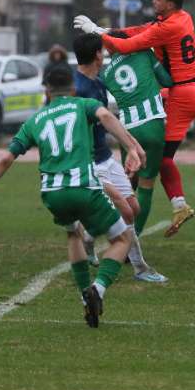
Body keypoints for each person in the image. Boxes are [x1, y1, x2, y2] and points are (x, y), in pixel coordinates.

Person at [0, 63, 146, 328]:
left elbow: (6, 158)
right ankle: (98, 289)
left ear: (46, 90)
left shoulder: (34, 120)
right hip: (84, 187)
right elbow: (106, 116)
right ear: (72, 87)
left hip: (52, 194)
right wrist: (132, 147)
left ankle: (84, 299)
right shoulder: (83, 105)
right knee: (122, 238)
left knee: (72, 233)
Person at [74, 0, 195, 237]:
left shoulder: (106, 72)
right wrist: (106, 32)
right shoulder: (181, 19)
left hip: (138, 121)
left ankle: (170, 206)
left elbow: (127, 43)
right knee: (154, 165)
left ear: (169, 3)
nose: (154, 1)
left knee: (151, 166)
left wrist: (96, 32)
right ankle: (177, 204)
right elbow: (138, 37)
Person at [72, 32, 166, 284]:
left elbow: (110, 122)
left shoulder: (98, 82)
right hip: (87, 162)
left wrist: (132, 147)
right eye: (102, 51)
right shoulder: (78, 89)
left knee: (133, 207)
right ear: (97, 56)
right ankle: (140, 267)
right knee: (125, 210)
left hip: (104, 157)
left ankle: (90, 238)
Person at [97, 39, 173, 244]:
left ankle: (108, 232)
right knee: (146, 186)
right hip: (152, 124)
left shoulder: (105, 73)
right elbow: (167, 81)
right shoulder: (143, 53)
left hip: (127, 130)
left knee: (127, 185)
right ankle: (132, 241)